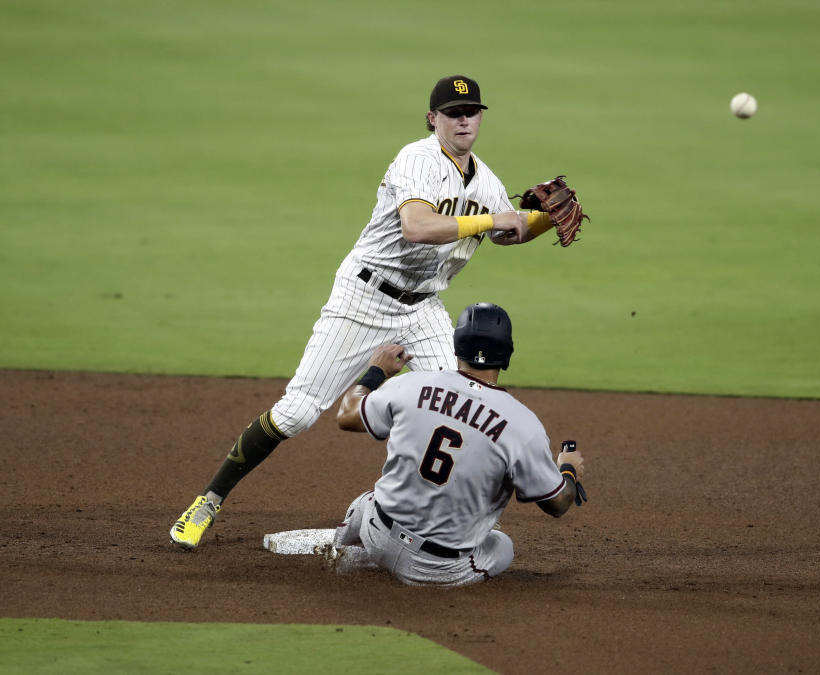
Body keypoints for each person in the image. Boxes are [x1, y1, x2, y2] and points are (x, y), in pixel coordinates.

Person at [170, 75, 559, 550]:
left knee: (464, 407)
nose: (463, 120)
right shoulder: (417, 159)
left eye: (471, 111)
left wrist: (539, 220)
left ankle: (438, 527)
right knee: (296, 414)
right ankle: (208, 500)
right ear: (432, 119)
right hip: (363, 298)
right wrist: (493, 218)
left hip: (424, 309)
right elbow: (417, 227)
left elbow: (507, 232)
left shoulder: (488, 182)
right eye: (453, 112)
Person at [330, 302, 585, 586]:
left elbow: (347, 416)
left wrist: (377, 371)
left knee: (368, 500)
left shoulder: (410, 384)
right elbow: (557, 504)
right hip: (435, 570)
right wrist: (568, 471)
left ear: (457, 347)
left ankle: (340, 551)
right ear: (506, 355)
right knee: (501, 544)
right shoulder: (523, 425)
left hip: (377, 534)